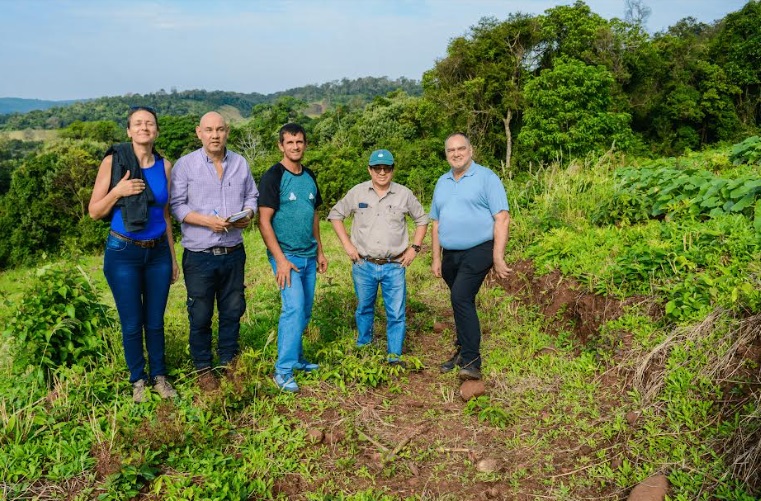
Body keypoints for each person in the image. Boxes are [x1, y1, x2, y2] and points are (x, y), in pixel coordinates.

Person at [89, 106, 179, 403]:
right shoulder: (114, 161)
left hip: (158, 254)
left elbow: (166, 216)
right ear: (129, 131)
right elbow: (94, 211)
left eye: (149, 123)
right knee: (131, 321)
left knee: (155, 320)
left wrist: (173, 257)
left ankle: (160, 377)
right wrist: (118, 191)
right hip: (123, 252)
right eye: (138, 124)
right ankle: (138, 380)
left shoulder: (165, 166)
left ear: (156, 131)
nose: (144, 128)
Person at [170, 111, 259, 391]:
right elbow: (177, 207)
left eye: (219, 129)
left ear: (227, 131)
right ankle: (203, 368)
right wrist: (207, 221)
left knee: (233, 310)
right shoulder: (185, 166)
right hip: (200, 255)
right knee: (200, 314)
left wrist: (249, 214)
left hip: (233, 251)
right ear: (199, 132)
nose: (215, 135)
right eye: (209, 130)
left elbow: (252, 196)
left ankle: (229, 361)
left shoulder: (240, 163)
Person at [328, 149, 428, 366]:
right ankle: (364, 348)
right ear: (370, 169)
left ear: (392, 170)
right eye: (377, 168)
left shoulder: (404, 194)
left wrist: (415, 248)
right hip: (364, 264)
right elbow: (335, 215)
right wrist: (347, 245)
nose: (382, 172)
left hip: (395, 264)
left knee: (396, 313)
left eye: (387, 168)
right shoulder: (357, 193)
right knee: (364, 307)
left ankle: (394, 356)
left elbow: (422, 219)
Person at [430, 132, 510, 381]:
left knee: (460, 296)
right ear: (446, 155)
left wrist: (498, 256)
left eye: (460, 148)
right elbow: (436, 222)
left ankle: (473, 361)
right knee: (461, 302)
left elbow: (502, 217)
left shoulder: (486, 177)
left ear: (471, 150)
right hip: (450, 254)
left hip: (479, 248)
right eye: (451, 150)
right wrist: (435, 257)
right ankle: (463, 352)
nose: (456, 154)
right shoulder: (442, 182)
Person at [258, 123, 328, 393]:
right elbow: (264, 222)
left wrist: (320, 250)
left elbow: (313, 215)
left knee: (305, 310)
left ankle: (297, 359)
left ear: (305, 144)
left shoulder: (309, 175)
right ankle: (283, 371)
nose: (295, 146)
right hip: (286, 256)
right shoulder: (273, 176)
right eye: (290, 142)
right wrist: (281, 260)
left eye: (299, 142)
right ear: (281, 146)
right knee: (294, 309)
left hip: (309, 255)